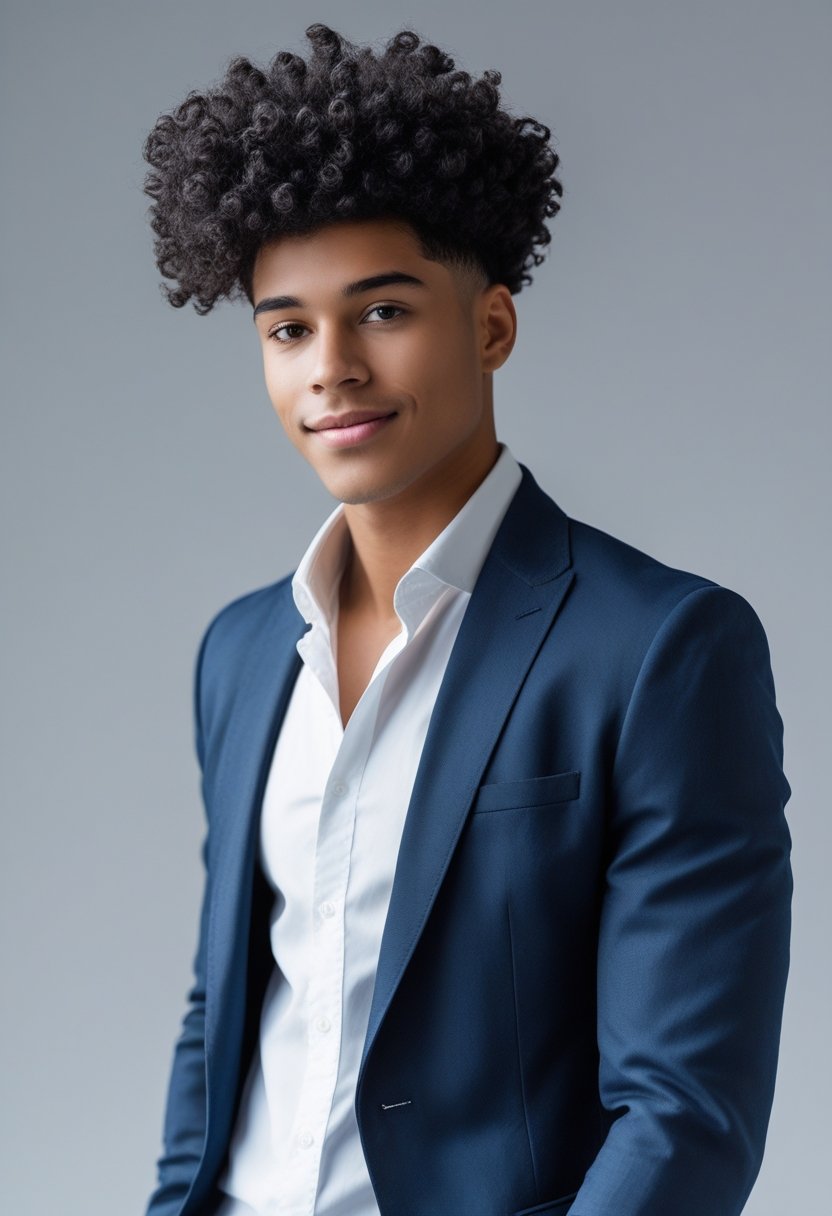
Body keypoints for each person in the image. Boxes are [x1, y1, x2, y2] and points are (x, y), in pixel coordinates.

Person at [141, 24, 792, 1216]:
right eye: (287, 329)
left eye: (381, 311)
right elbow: (226, 1013)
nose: (329, 366)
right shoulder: (241, 653)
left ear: (489, 326)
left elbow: (686, 1111)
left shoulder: (659, 650)